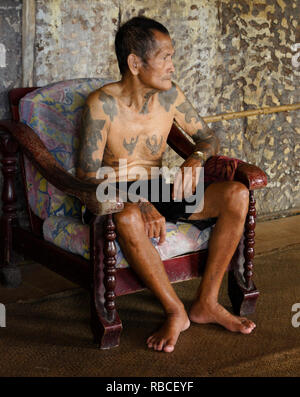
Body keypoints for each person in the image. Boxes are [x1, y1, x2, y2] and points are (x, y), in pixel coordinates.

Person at [76, 16, 256, 353]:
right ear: (135, 63)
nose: (173, 66)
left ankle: (206, 304)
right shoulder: (101, 105)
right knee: (128, 216)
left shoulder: (171, 96)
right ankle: (176, 312)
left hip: (158, 187)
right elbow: (87, 176)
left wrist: (195, 159)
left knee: (236, 194)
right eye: (166, 57)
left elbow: (207, 137)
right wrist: (141, 204)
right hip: (112, 194)